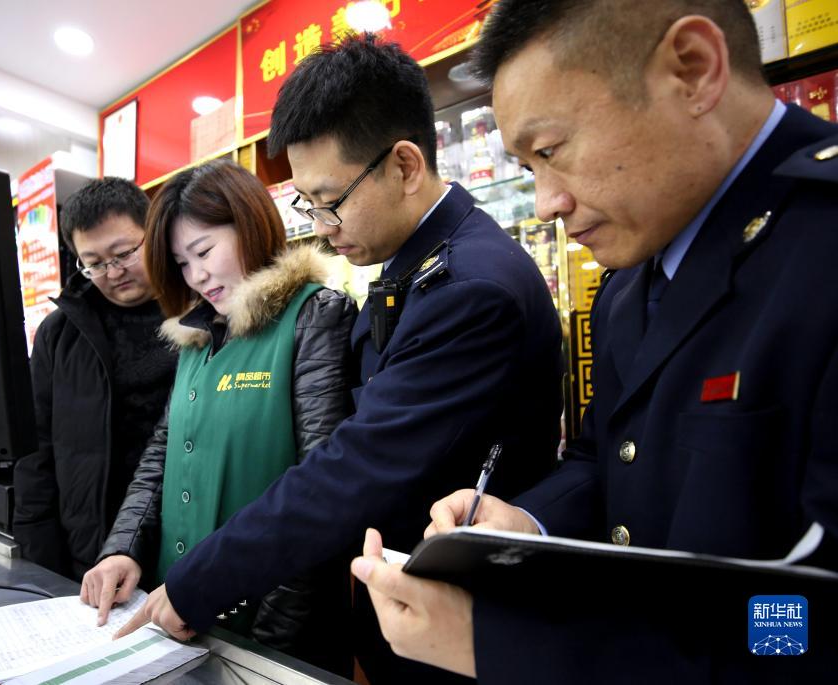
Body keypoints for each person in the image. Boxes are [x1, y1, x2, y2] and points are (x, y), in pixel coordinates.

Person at [350, 1, 838, 682]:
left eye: (551, 151)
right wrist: (527, 523)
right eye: (528, 169)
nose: (546, 202)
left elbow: (809, 630)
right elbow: (604, 458)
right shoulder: (631, 279)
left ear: (693, 70)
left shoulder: (819, 242)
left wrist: (507, 645)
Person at [114, 34, 564, 685]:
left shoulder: (468, 286)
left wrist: (197, 582)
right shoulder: (414, 268)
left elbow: (353, 466)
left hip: (462, 628)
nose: (322, 225)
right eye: (308, 204)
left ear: (404, 166)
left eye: (330, 200)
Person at [80, 160, 358, 674]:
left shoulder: (314, 316)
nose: (197, 276)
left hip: (268, 635)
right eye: (182, 263)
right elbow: (161, 456)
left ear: (250, 226)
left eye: (205, 251)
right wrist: (122, 549)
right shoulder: (198, 336)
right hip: (179, 617)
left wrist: (264, 647)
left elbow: (322, 494)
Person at [13, 177, 177, 581]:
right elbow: (36, 452)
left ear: (153, 232)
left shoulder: (200, 310)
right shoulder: (60, 334)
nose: (114, 272)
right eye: (95, 263)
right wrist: (42, 562)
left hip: (181, 544)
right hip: (91, 551)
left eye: (124, 253)